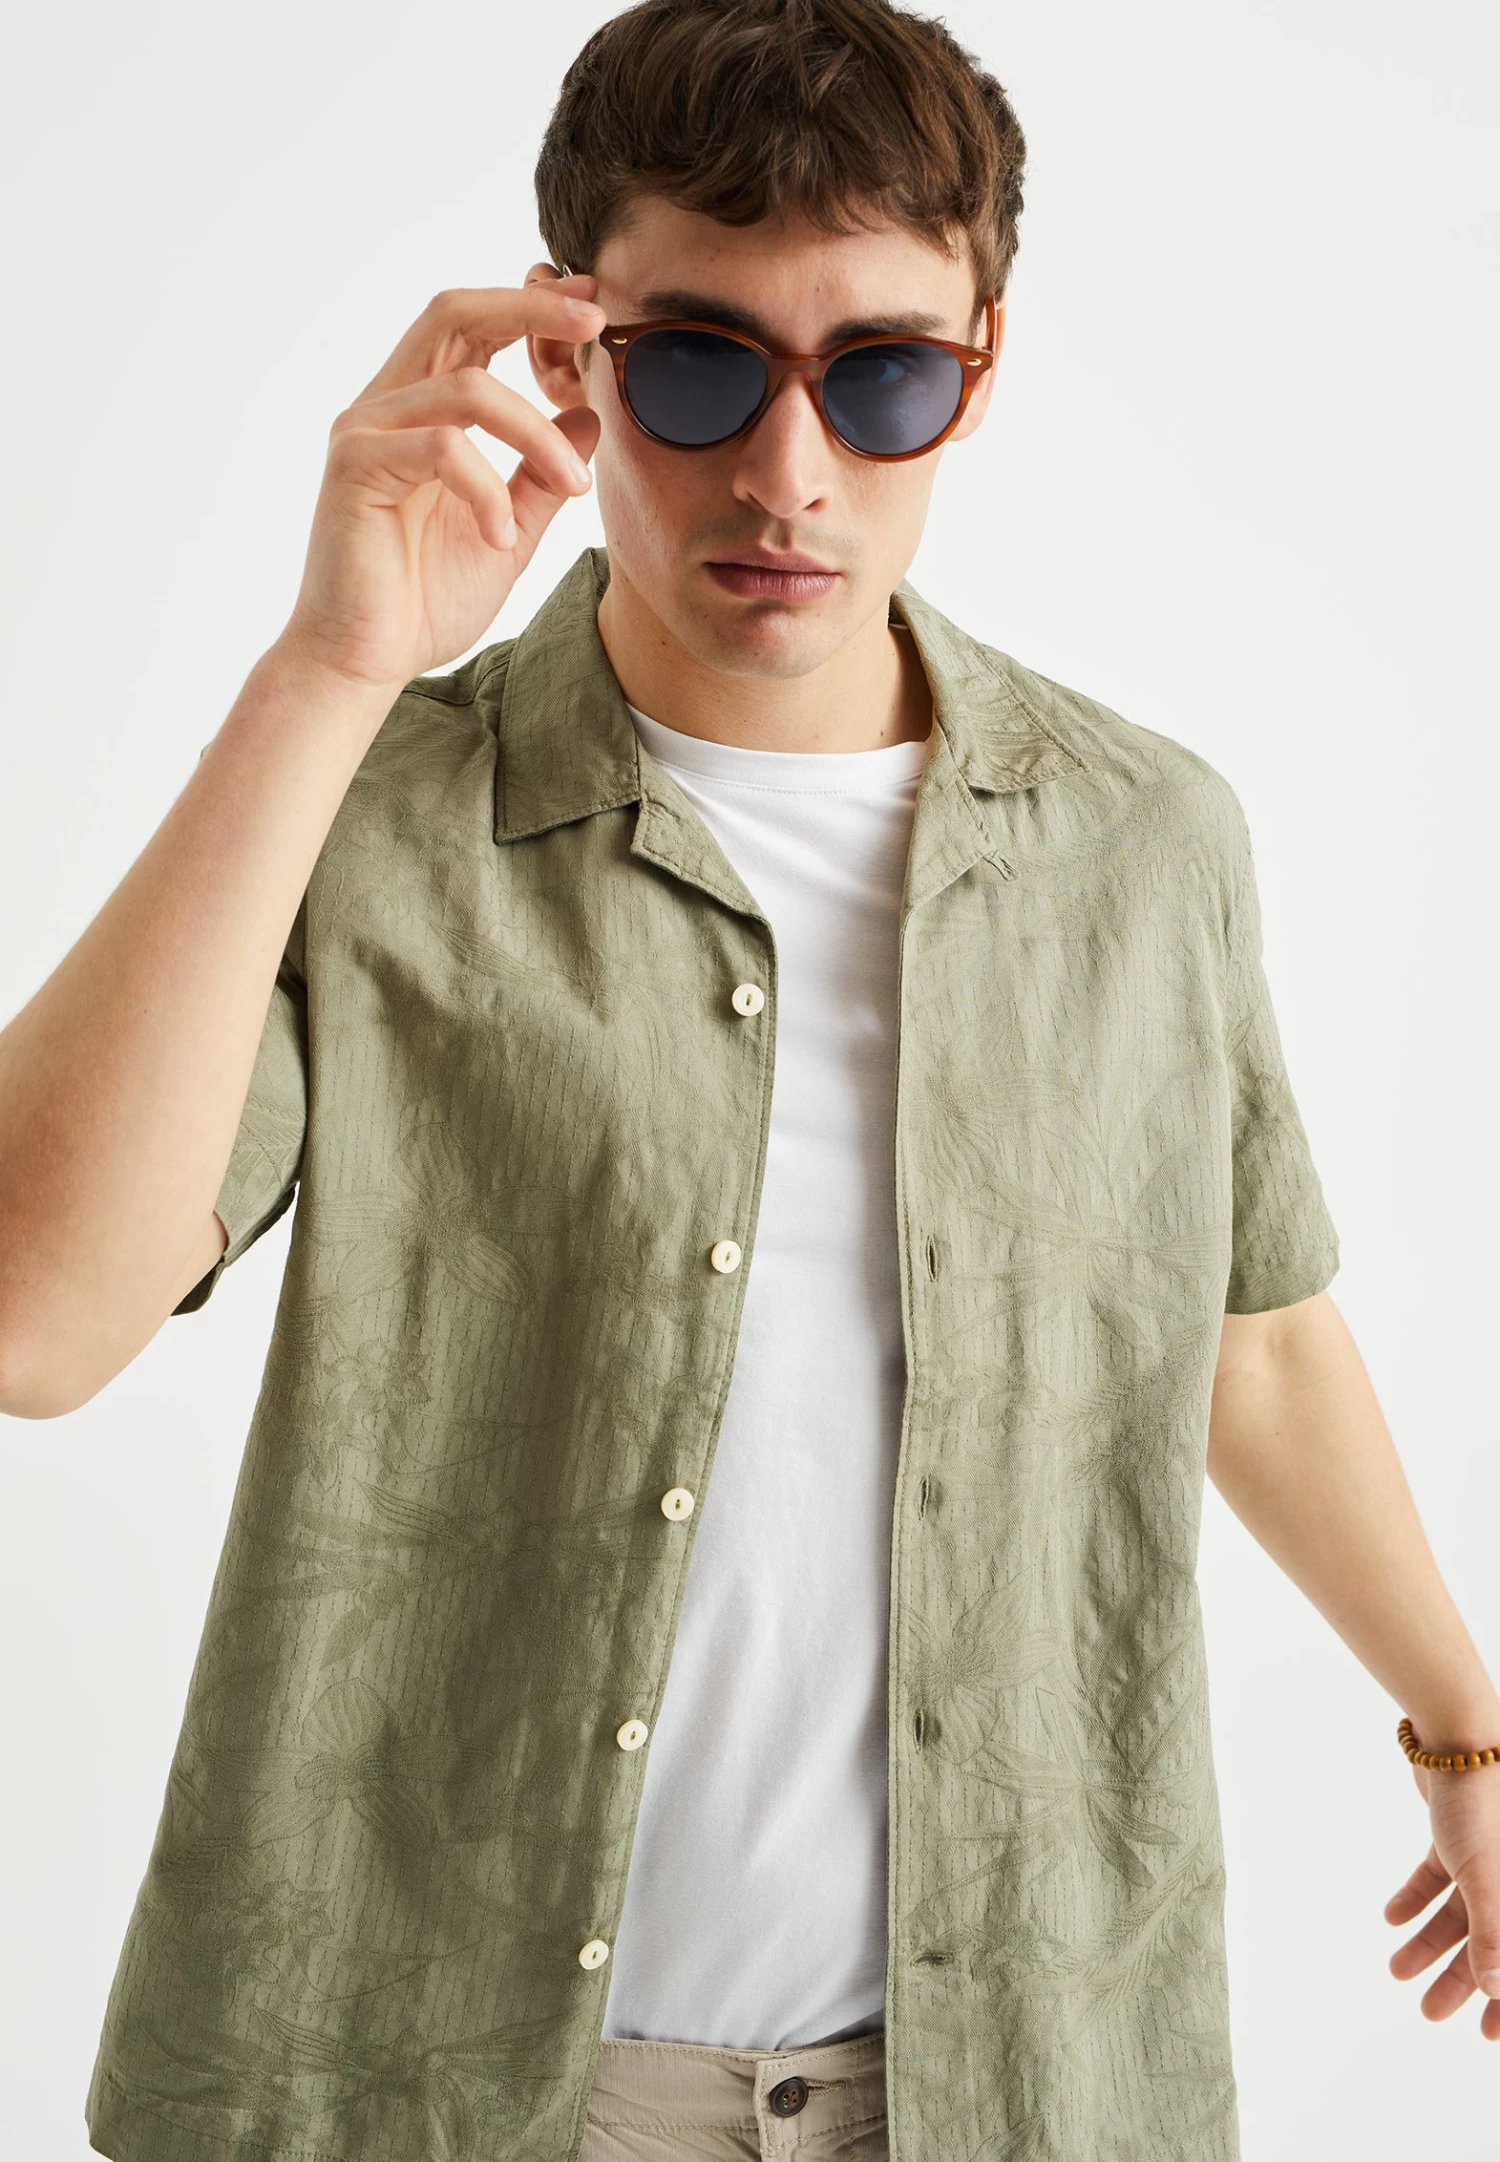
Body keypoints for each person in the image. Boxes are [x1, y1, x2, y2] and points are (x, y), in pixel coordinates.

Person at [1, 2, 1496, 2158]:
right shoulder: (375, 811)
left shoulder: (1144, 843)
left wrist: (1467, 1734)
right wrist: (331, 667)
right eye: (700, 367)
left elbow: (1245, 1334)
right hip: (422, 2085)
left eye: (880, 377)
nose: (788, 474)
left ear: (981, 366)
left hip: (1006, 2087)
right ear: (570, 355)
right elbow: (36, 1319)